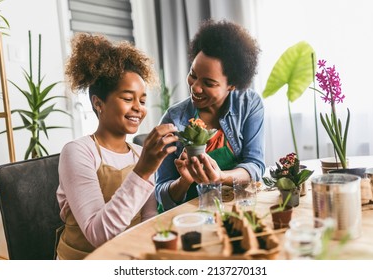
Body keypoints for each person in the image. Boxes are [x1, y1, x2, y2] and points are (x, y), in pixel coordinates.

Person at [56, 33, 178, 260]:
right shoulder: (78, 152)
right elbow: (98, 234)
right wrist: (142, 171)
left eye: (142, 101)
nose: (138, 108)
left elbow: (148, 218)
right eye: (127, 98)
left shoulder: (140, 154)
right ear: (98, 103)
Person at [155, 19, 265, 211]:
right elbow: (162, 193)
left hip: (238, 208)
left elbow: (255, 165)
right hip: (191, 214)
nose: (195, 87)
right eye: (193, 74)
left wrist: (222, 177)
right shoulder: (174, 118)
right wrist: (184, 181)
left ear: (232, 85)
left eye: (209, 83)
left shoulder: (249, 105)